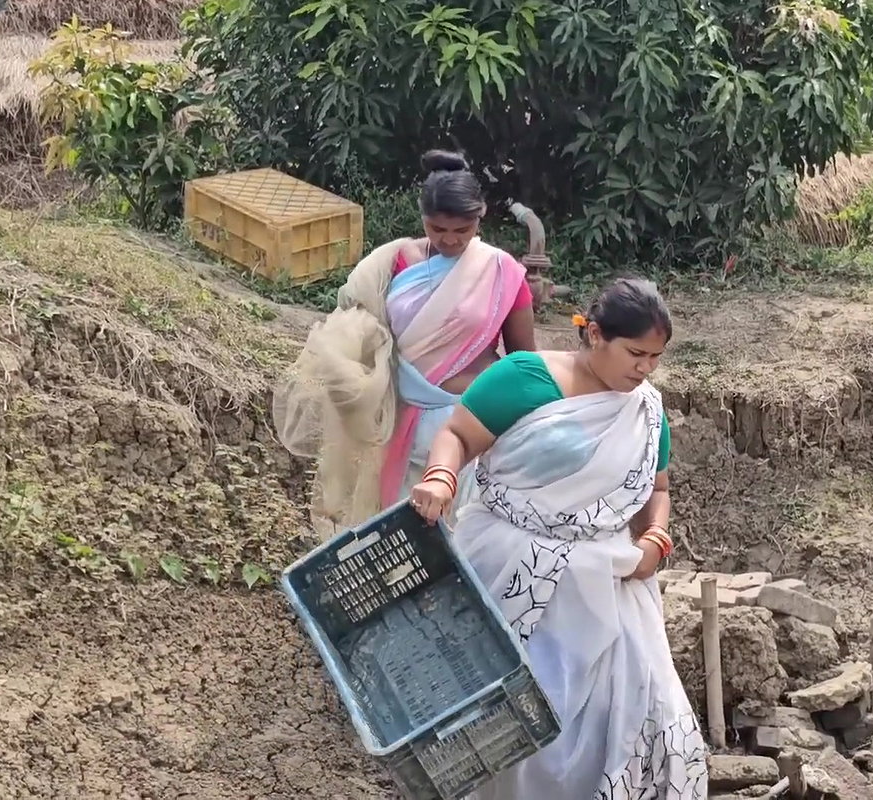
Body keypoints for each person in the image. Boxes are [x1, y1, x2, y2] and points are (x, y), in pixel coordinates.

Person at [410, 278, 708, 798]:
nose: (644, 368)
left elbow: (654, 489)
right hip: (511, 569)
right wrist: (441, 476)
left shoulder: (646, 409)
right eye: (635, 353)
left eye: (656, 358)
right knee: (514, 717)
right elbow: (457, 435)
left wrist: (655, 540)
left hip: (609, 581)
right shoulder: (526, 378)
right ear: (594, 334)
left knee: (626, 712)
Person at [272, 150, 535, 534]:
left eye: (461, 231)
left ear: (480, 217)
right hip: (402, 418)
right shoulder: (393, 262)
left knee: (463, 529)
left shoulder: (502, 272)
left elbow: (523, 362)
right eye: (437, 229)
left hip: (473, 419)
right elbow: (355, 322)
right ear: (423, 219)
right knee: (401, 527)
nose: (449, 240)